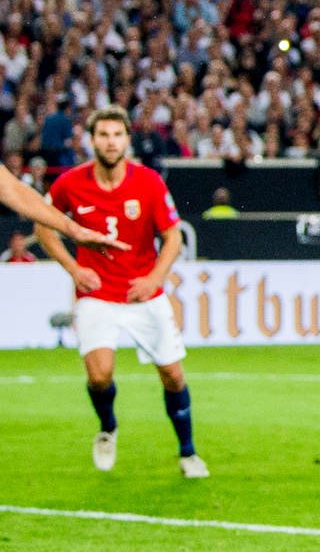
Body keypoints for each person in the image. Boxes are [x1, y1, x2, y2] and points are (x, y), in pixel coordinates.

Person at [34, 107, 206, 477]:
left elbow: (173, 236)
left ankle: (188, 452)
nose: (110, 142)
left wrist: (154, 279)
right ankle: (108, 427)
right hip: (96, 294)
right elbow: (43, 226)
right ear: (91, 140)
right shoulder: (69, 183)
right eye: (103, 135)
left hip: (143, 294)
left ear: (127, 140)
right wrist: (73, 268)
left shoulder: (148, 182)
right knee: (99, 375)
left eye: (117, 135)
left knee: (173, 376)